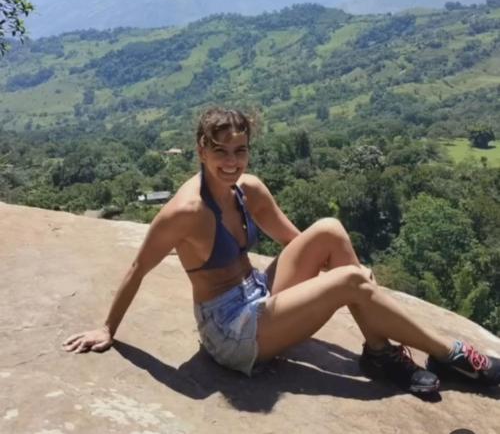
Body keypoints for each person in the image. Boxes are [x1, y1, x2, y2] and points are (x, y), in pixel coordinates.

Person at [63, 107, 500, 393]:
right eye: (220, 151)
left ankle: (380, 351)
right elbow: (139, 267)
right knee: (348, 280)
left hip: (260, 295)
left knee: (329, 230)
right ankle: (452, 356)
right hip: (231, 332)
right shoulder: (185, 212)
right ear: (201, 149)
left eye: (240, 150)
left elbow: (300, 242)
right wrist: (107, 329)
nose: (232, 161)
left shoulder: (247, 190)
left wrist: (349, 276)